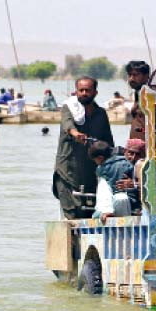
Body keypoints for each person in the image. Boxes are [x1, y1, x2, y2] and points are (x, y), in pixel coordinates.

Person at [52, 76, 114, 219]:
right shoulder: (69, 108)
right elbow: (68, 125)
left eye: (88, 90)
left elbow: (108, 142)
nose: (84, 93)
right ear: (76, 92)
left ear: (95, 93)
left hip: (92, 173)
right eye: (81, 90)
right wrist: (75, 133)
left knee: (91, 215)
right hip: (68, 172)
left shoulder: (101, 114)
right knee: (71, 217)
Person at [88, 140, 134, 222]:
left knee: (103, 183)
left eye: (95, 160)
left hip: (114, 201)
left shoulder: (102, 169)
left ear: (100, 158)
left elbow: (107, 192)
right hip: (129, 202)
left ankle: (104, 212)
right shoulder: (127, 163)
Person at [115, 138, 146, 213]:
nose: (133, 157)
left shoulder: (142, 166)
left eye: (138, 154)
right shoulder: (118, 166)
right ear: (125, 151)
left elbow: (148, 187)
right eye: (131, 153)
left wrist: (134, 185)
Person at [125, 60, 150, 140]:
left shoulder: (150, 97)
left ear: (146, 76)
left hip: (147, 147)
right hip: (135, 148)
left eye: (136, 75)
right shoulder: (137, 93)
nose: (131, 78)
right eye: (130, 75)